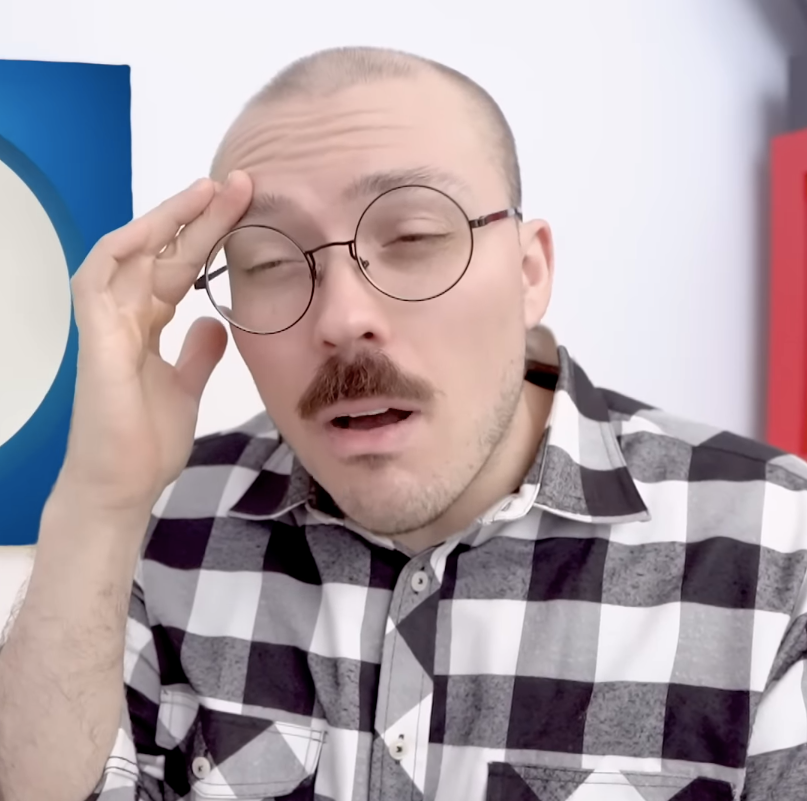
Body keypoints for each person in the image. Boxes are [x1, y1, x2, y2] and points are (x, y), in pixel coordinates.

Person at [0, 46, 805, 801]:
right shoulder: (165, 524)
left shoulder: (777, 552)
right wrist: (101, 499)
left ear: (529, 272)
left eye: (413, 237)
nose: (343, 317)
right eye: (271, 264)